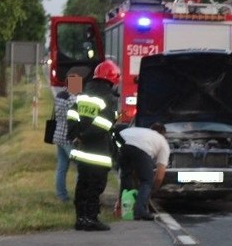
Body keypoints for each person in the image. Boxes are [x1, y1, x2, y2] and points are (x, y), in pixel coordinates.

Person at [66, 60, 120, 231]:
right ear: (112, 79)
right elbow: (103, 124)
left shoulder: (83, 94)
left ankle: (80, 219)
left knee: (82, 185)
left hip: (81, 152)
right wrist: (86, 136)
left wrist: (76, 134)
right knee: (95, 186)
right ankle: (91, 219)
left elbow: (72, 114)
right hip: (98, 153)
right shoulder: (108, 98)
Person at [114, 123, 170, 221]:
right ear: (164, 134)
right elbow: (159, 176)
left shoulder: (142, 131)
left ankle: (121, 207)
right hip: (141, 149)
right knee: (147, 181)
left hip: (123, 144)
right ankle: (140, 211)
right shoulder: (163, 142)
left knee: (126, 176)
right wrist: (152, 190)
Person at [51, 87, 76, 202]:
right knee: (81, 166)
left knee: (61, 167)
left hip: (58, 134)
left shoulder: (59, 96)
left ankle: (61, 195)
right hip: (68, 137)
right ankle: (80, 195)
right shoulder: (72, 99)